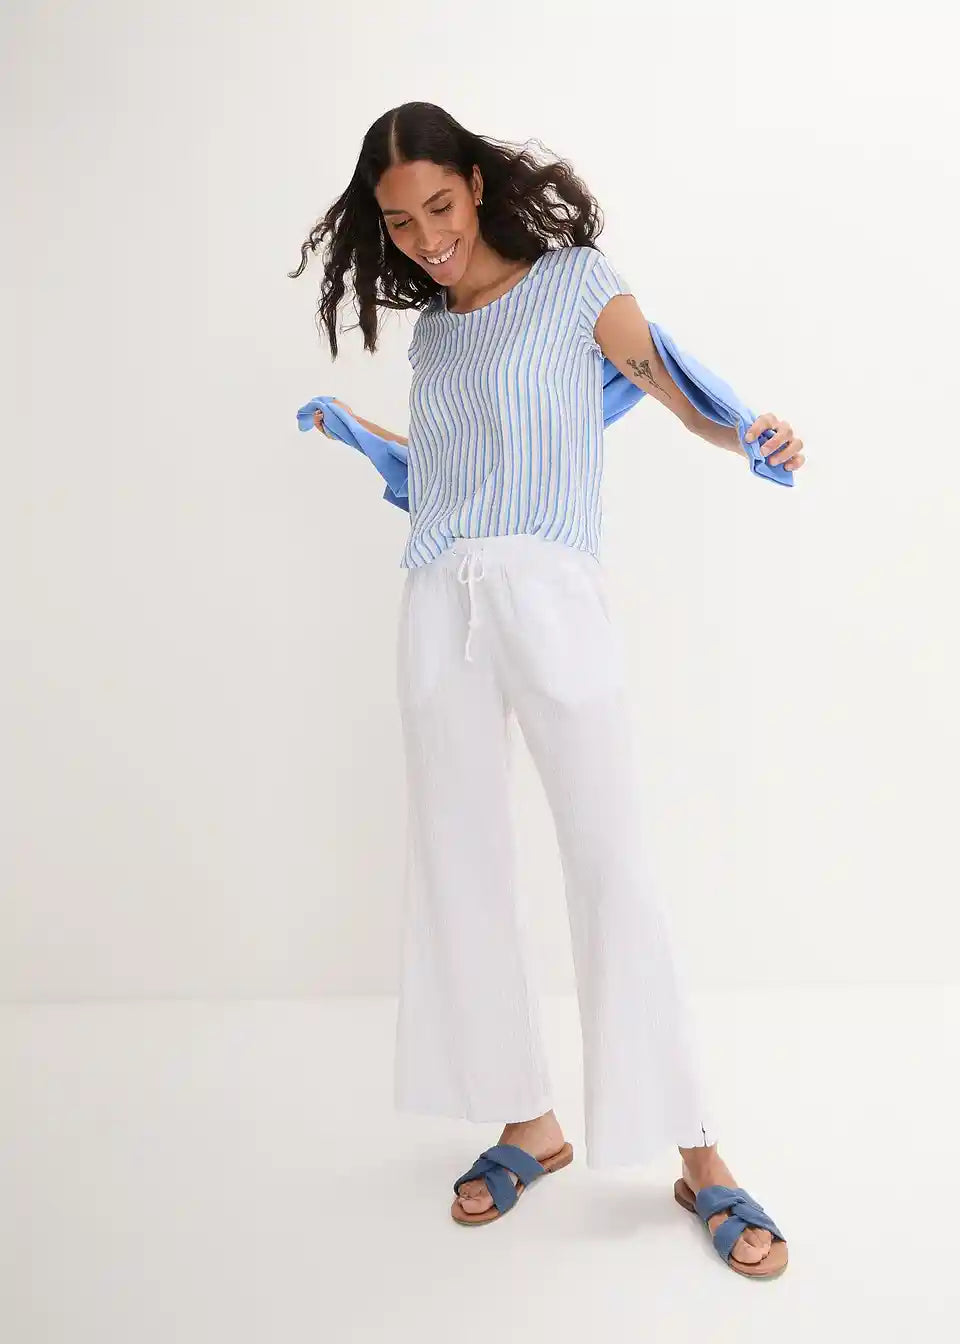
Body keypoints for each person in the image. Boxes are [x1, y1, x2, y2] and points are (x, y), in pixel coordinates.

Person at [289, 101, 804, 1278]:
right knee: (459, 863)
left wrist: (749, 432)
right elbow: (447, 480)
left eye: (440, 206)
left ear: (476, 184)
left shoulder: (575, 285)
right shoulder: (433, 338)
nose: (427, 238)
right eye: (400, 223)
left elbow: (670, 386)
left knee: (611, 860)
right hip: (437, 600)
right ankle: (528, 1119)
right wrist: (364, 436)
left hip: (550, 592)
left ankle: (700, 1154)